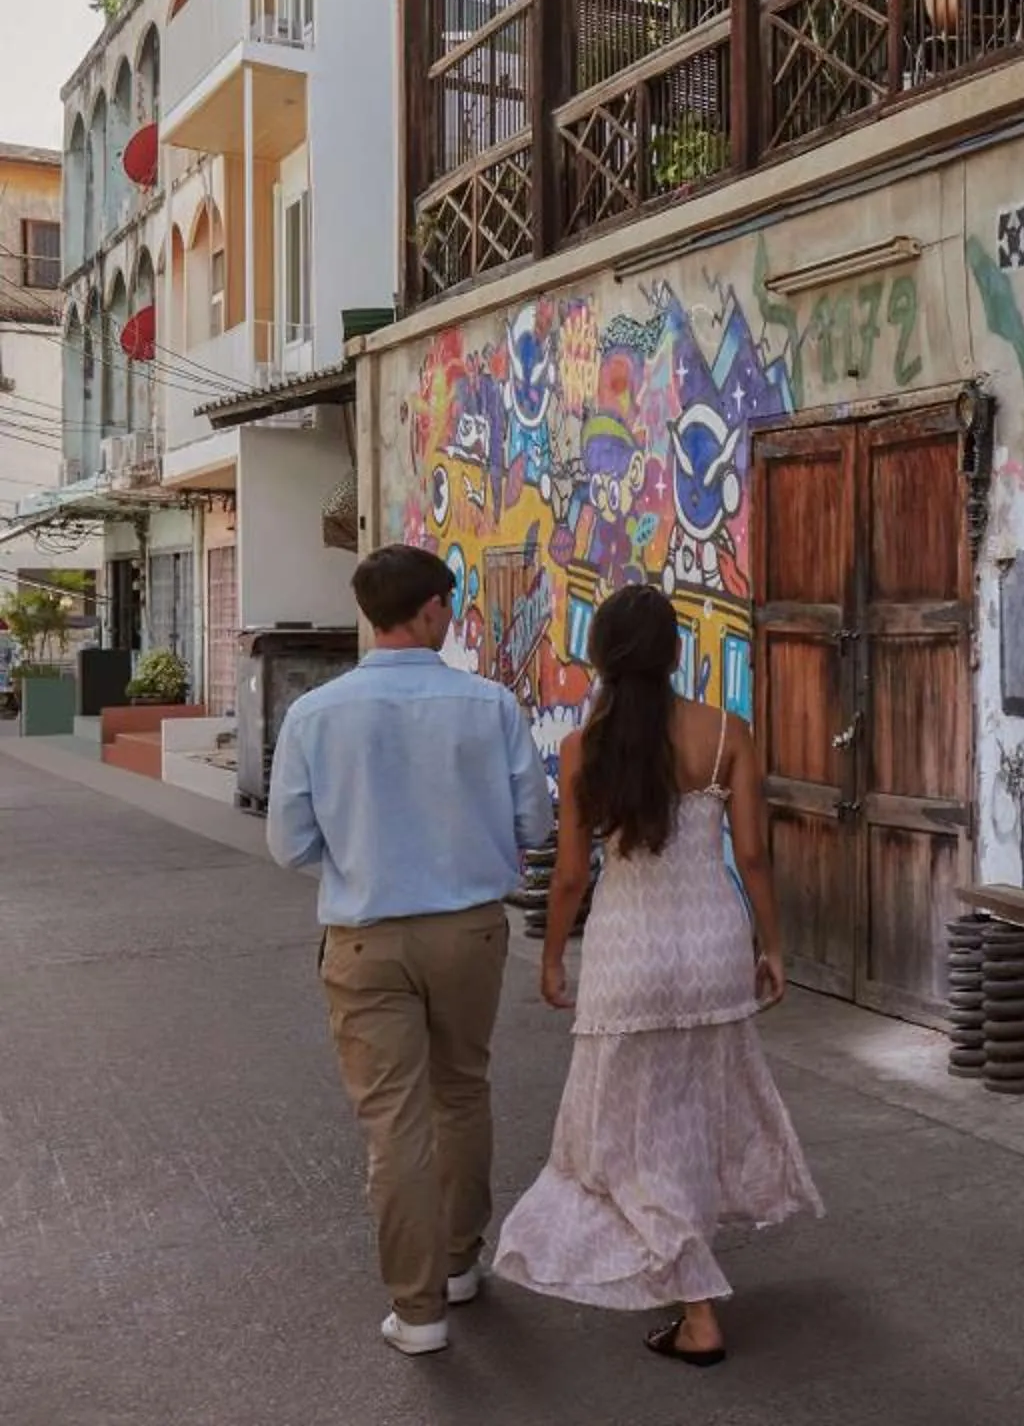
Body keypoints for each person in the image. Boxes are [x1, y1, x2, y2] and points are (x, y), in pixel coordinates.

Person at [494, 583, 820, 1365]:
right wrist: (772, 948)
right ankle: (689, 1282)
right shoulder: (724, 734)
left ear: (601, 655)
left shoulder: (586, 747)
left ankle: (697, 1309)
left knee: (627, 1136)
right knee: (694, 1115)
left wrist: (549, 956)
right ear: (676, 653)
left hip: (626, 956)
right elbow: (752, 856)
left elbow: (571, 874)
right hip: (711, 948)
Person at [267, 545, 551, 1358]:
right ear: (432, 610)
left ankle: (418, 1310)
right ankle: (461, 1265)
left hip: (365, 937)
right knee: (462, 1091)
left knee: (394, 1123)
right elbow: (534, 826)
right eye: (447, 603)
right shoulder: (490, 705)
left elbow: (288, 844)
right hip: (469, 930)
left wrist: (361, 850)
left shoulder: (316, 714)